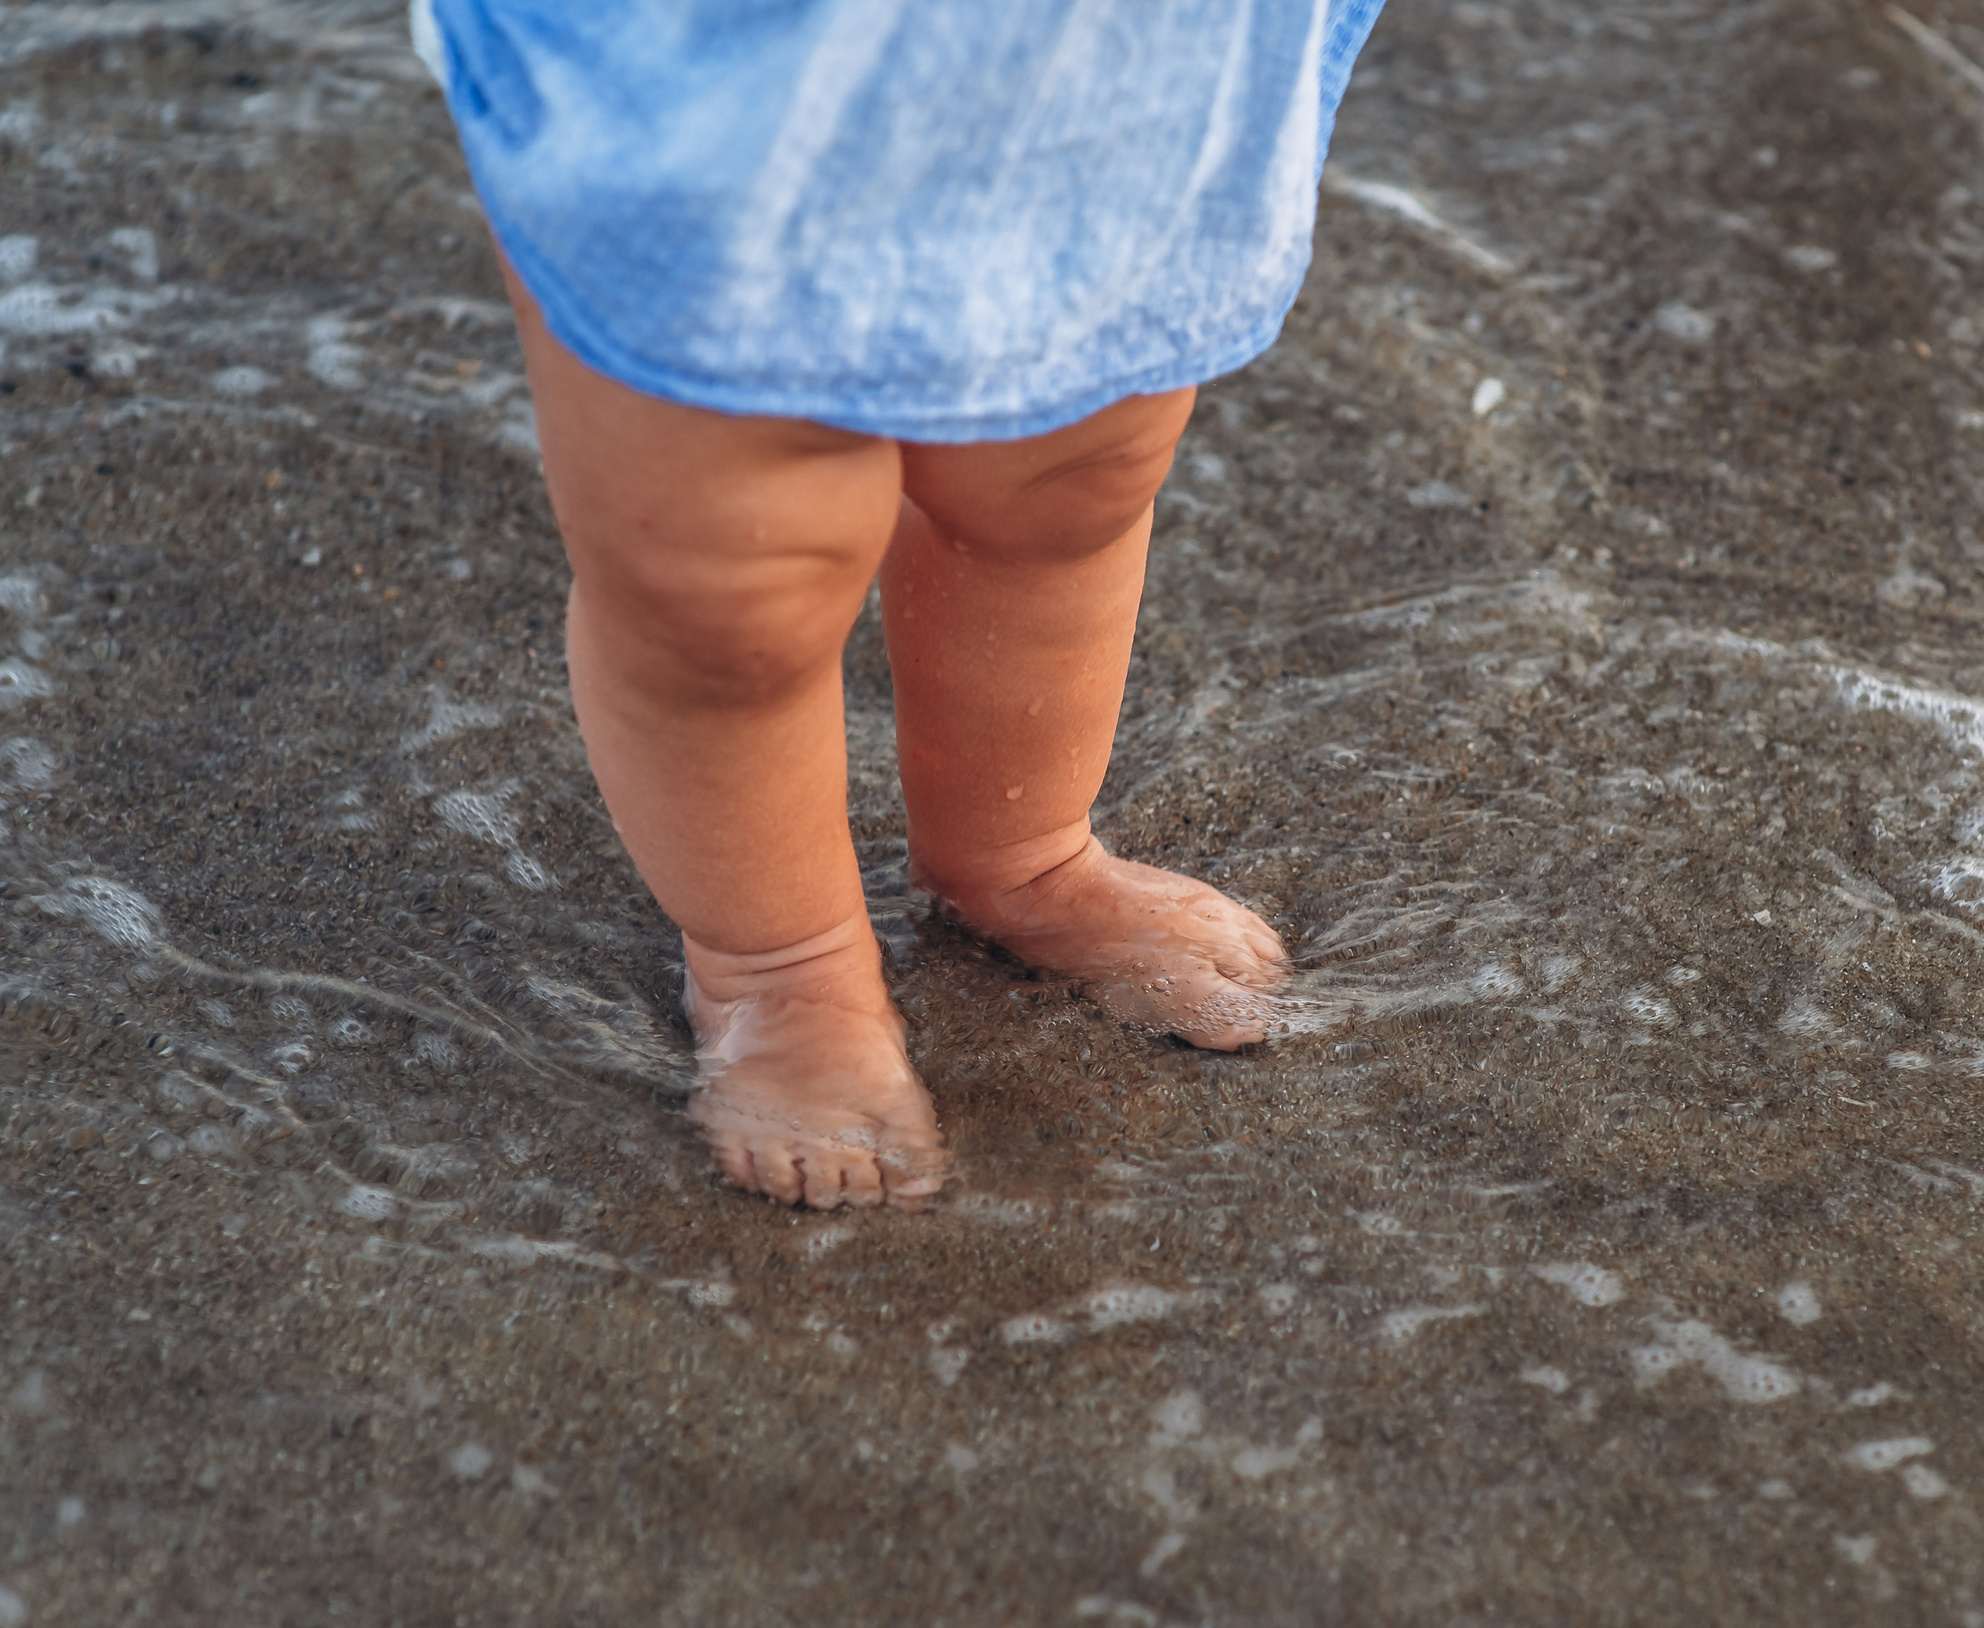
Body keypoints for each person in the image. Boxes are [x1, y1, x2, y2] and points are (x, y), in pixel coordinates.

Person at [414, 1, 1383, 1209]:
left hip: (1124, 52)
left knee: (1068, 471)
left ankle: (1019, 854)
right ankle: (779, 964)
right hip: (713, 68)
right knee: (729, 583)